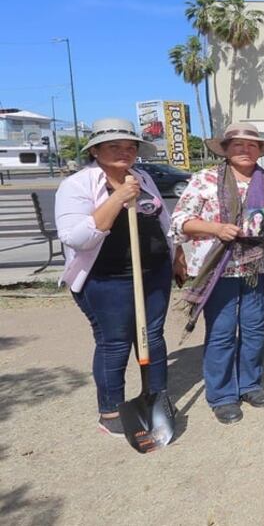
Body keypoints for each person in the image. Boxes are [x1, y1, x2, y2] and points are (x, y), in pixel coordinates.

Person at [55, 118, 174, 438]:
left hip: (154, 273)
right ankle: (110, 410)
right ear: (95, 150)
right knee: (114, 343)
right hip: (106, 280)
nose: (125, 151)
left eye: (130, 146)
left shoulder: (142, 177)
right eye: (114, 146)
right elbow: (77, 238)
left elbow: (161, 220)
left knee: (154, 337)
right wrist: (118, 197)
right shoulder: (77, 185)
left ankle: (157, 398)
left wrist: (177, 256)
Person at [172, 123, 264, 424]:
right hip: (218, 269)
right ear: (225, 149)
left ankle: (250, 384)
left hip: (255, 268)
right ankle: (222, 395)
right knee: (221, 332)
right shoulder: (205, 180)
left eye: (252, 145)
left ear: (261, 151)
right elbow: (180, 220)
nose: (245, 150)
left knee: (253, 329)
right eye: (237, 144)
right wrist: (216, 228)